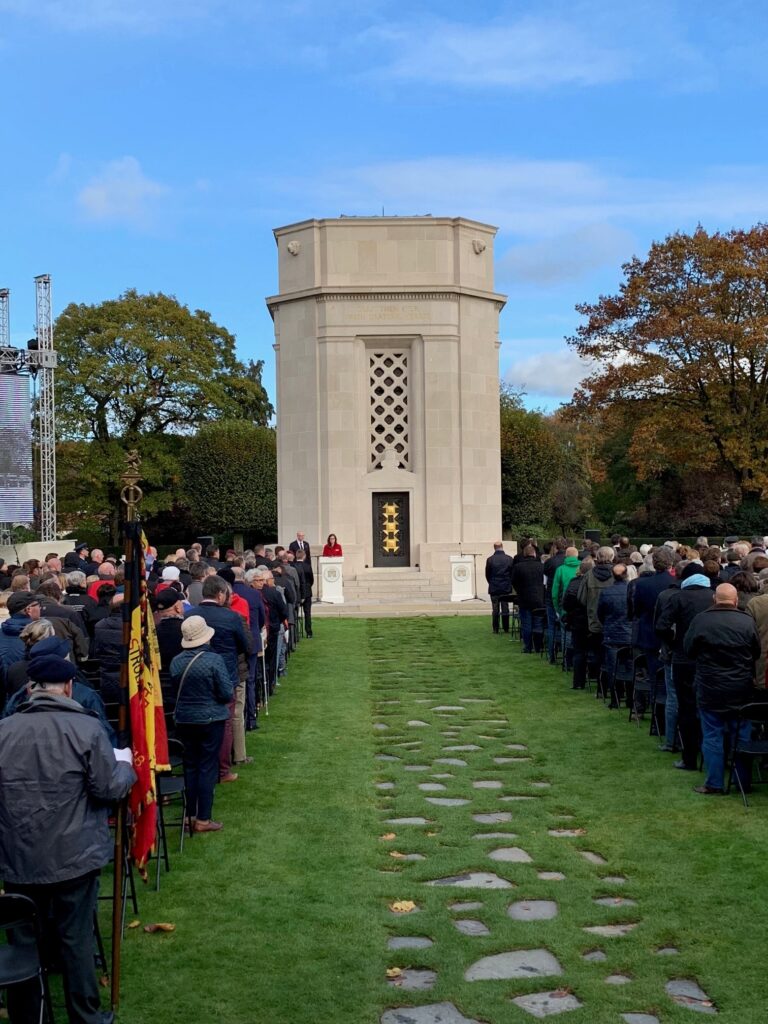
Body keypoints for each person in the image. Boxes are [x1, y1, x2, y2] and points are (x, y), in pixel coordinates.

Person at [0, 652, 135, 1024]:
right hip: (70, 855)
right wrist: (127, 770)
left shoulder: (7, 731)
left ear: (32, 689)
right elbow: (109, 788)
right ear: (69, 687)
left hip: (23, 856)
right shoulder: (85, 729)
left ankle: (30, 1015)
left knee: (26, 940)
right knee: (75, 939)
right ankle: (84, 1016)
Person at [683, 583, 762, 794]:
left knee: (712, 735)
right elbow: (756, 651)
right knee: (741, 734)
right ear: (735, 601)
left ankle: (715, 783)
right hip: (739, 687)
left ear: (715, 600)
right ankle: (741, 782)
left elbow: (688, 649)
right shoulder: (745, 621)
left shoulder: (702, 620)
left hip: (711, 687)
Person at [170, 616, 234, 833]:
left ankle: (190, 814)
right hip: (209, 719)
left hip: (186, 718)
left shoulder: (176, 661)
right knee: (206, 766)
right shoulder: (214, 660)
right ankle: (203, 818)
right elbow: (226, 692)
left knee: (190, 765)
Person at [187, 575, 250, 784]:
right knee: (224, 723)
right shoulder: (231, 617)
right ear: (221, 594)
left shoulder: (191, 614)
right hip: (226, 675)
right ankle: (222, 770)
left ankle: (208, 768)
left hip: (197, 675)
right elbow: (244, 645)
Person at [562, 558, 593, 689]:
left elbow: (566, 603)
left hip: (578, 621)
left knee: (579, 652)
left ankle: (578, 682)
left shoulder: (574, 583)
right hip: (588, 620)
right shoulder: (589, 583)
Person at [511, 544, 545, 654]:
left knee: (526, 624)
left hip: (524, 598)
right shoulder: (541, 566)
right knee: (538, 623)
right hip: (539, 598)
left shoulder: (518, 567)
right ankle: (538, 646)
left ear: (524, 554)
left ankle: (528, 646)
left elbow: (514, 582)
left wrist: (520, 591)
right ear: (534, 554)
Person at [543, 538, 567, 661]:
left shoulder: (550, 562)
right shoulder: (567, 561)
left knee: (551, 626)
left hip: (552, 597)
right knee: (564, 627)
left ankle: (552, 655)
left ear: (555, 548)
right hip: (564, 597)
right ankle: (565, 657)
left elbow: (545, 581)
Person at [485, 541, 513, 634]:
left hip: (494, 587)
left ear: (494, 548)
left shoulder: (490, 559)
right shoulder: (509, 559)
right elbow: (512, 573)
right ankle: (506, 628)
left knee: (495, 609)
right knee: (505, 608)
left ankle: (496, 628)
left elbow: (487, 574)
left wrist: (492, 582)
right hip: (505, 587)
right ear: (502, 547)